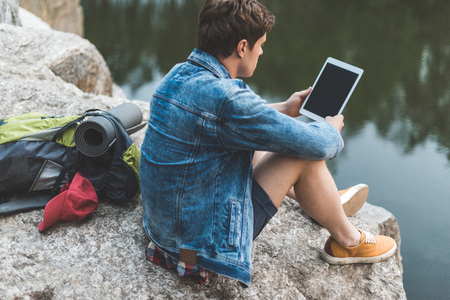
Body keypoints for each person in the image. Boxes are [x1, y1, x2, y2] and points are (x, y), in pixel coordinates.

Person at [140, 0, 397, 286]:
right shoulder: (228, 99)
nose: (262, 51)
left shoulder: (178, 75)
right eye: (260, 44)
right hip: (195, 253)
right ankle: (348, 240)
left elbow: (225, 120)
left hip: (162, 236)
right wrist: (331, 130)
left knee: (256, 141)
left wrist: (286, 109)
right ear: (241, 47)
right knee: (301, 155)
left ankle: (321, 200)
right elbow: (316, 145)